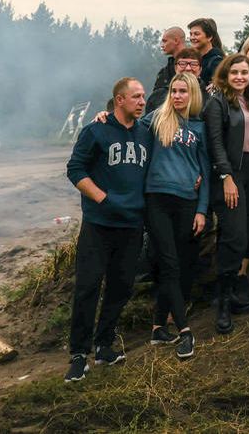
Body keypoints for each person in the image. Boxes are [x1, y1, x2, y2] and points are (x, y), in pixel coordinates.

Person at [64, 77, 148, 382]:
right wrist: (103, 198)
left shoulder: (145, 132)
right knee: (88, 286)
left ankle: (104, 346)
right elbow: (75, 169)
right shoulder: (95, 130)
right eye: (136, 97)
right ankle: (78, 354)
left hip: (132, 225)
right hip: (99, 225)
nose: (142, 101)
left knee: (121, 286)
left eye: (144, 97)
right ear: (119, 100)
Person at [142, 71, 211, 360]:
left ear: (192, 94)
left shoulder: (198, 127)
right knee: (169, 263)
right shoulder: (156, 120)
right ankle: (184, 331)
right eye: (174, 91)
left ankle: (159, 327)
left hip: (187, 202)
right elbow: (126, 125)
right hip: (157, 199)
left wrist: (201, 209)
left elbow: (205, 173)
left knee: (180, 264)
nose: (177, 96)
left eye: (183, 91)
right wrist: (103, 116)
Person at [205, 54, 249, 333]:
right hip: (231, 174)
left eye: (245, 72)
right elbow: (216, 143)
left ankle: (227, 292)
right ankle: (223, 304)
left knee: (248, 233)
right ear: (225, 75)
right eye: (235, 73)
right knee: (234, 235)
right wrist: (226, 176)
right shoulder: (218, 102)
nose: (240, 77)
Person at [147, 27, 188, 109]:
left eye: (165, 41)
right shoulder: (165, 71)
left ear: (176, 41)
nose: (162, 45)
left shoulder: (195, 66)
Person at [187, 18, 225, 87]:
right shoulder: (193, 59)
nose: (192, 37)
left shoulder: (216, 61)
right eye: (191, 34)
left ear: (209, 37)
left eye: (196, 34)